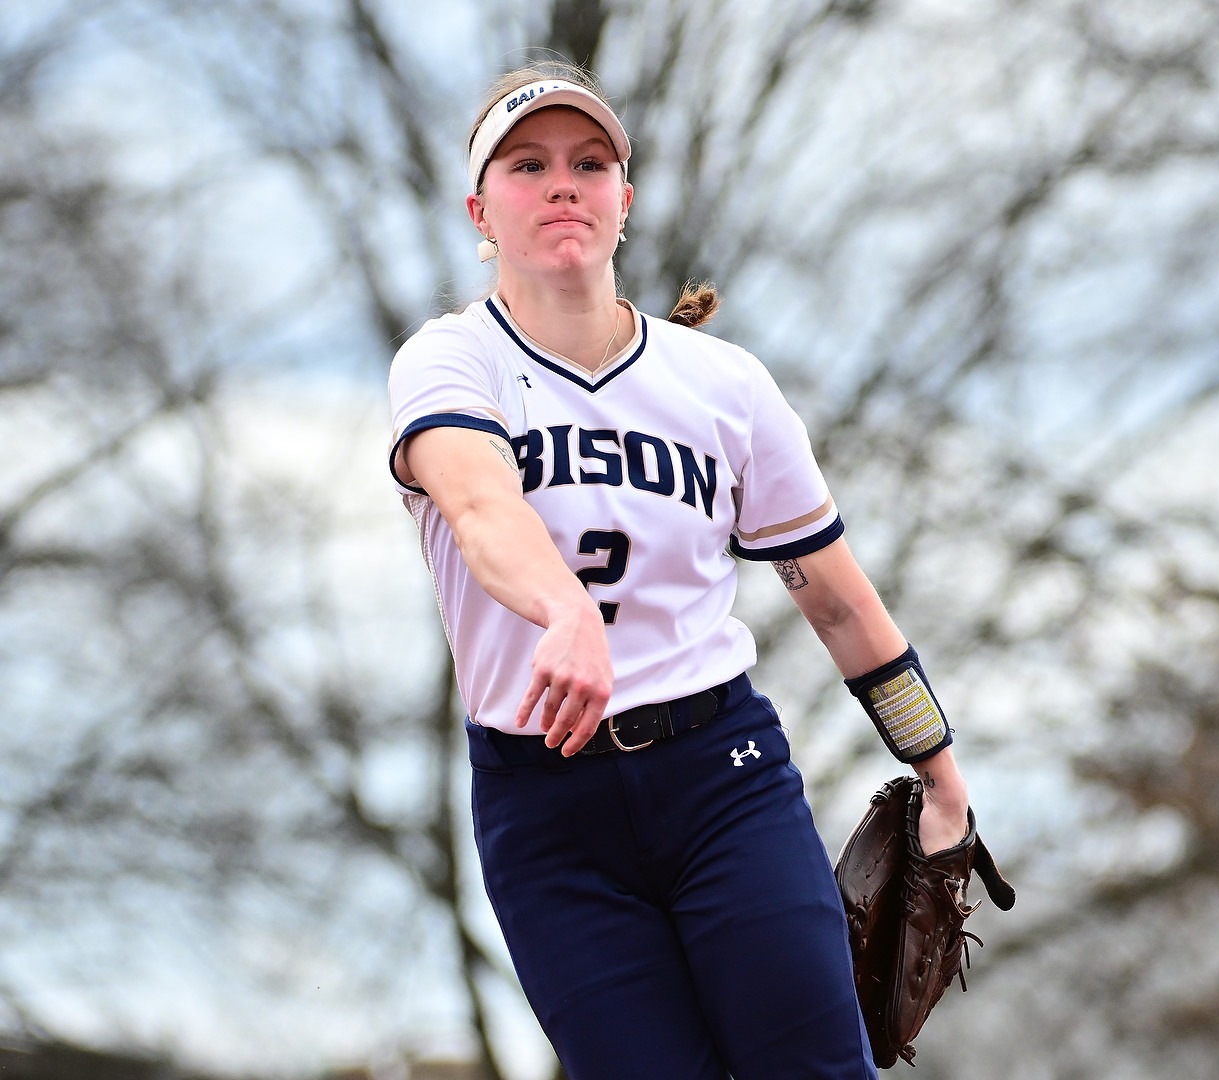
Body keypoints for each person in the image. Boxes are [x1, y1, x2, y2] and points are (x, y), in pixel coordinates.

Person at [385, 62, 974, 1079]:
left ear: (625, 200)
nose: (562, 182)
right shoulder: (450, 362)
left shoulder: (722, 383)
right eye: (528, 165)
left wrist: (942, 775)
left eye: (589, 162)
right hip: (547, 811)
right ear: (483, 210)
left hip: (721, 780)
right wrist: (561, 606)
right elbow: (481, 503)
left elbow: (836, 600)